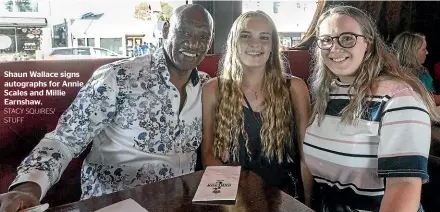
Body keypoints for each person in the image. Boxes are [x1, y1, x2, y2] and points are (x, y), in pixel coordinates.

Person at [0, 4, 213, 212]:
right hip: (113, 203)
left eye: (203, 37)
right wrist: (28, 186)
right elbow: (63, 140)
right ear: (166, 29)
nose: (194, 43)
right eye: (184, 32)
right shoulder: (118, 78)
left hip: (179, 204)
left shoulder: (205, 86)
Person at [304, 5, 440, 212]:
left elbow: (404, 185)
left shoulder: (399, 97)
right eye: (326, 40)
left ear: (367, 43)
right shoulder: (328, 92)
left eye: (347, 38)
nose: (335, 47)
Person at [201, 10, 313, 206]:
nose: (256, 44)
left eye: (264, 37)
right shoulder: (212, 89)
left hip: (284, 199)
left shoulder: (295, 88)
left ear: (272, 46)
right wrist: (240, 203)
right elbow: (208, 154)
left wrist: (308, 206)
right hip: (235, 199)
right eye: (245, 36)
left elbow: (307, 158)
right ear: (234, 43)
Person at [392, 31, 440, 105]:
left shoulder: (423, 71)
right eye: (423, 49)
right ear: (411, 52)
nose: (427, 52)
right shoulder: (396, 75)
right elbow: (425, 99)